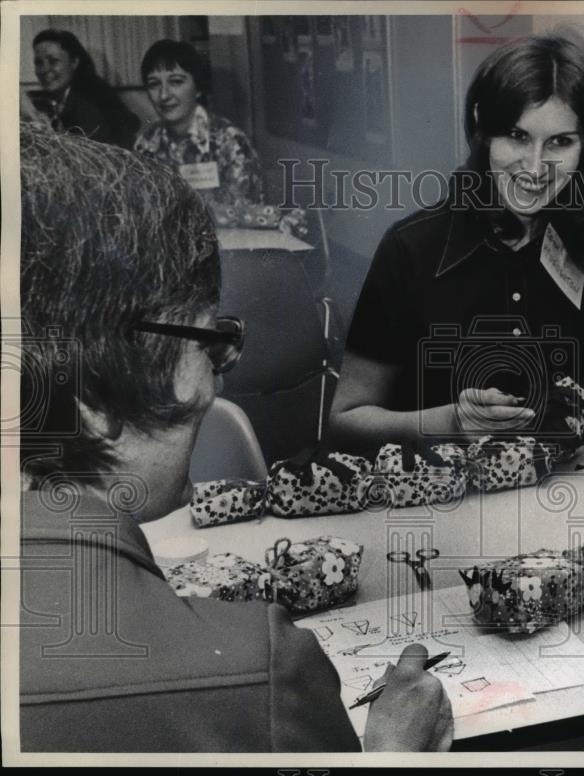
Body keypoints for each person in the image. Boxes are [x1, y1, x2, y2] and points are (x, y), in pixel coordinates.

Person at [18, 122, 452, 752]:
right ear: (91, 396)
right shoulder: (259, 669)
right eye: (204, 341)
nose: (217, 378)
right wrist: (390, 756)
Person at [328, 34, 584, 453]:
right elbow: (345, 421)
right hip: (430, 503)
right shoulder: (410, 250)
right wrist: (451, 421)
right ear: (481, 127)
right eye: (517, 135)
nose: (534, 167)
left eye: (560, 142)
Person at [133, 39, 263, 207]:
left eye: (176, 82)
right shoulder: (145, 145)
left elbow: (245, 218)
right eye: (154, 84)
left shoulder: (230, 142)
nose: (164, 95)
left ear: (198, 88)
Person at [27, 29, 140, 148]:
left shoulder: (90, 102)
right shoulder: (57, 98)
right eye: (39, 63)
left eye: (54, 61)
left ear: (74, 62)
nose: (45, 70)